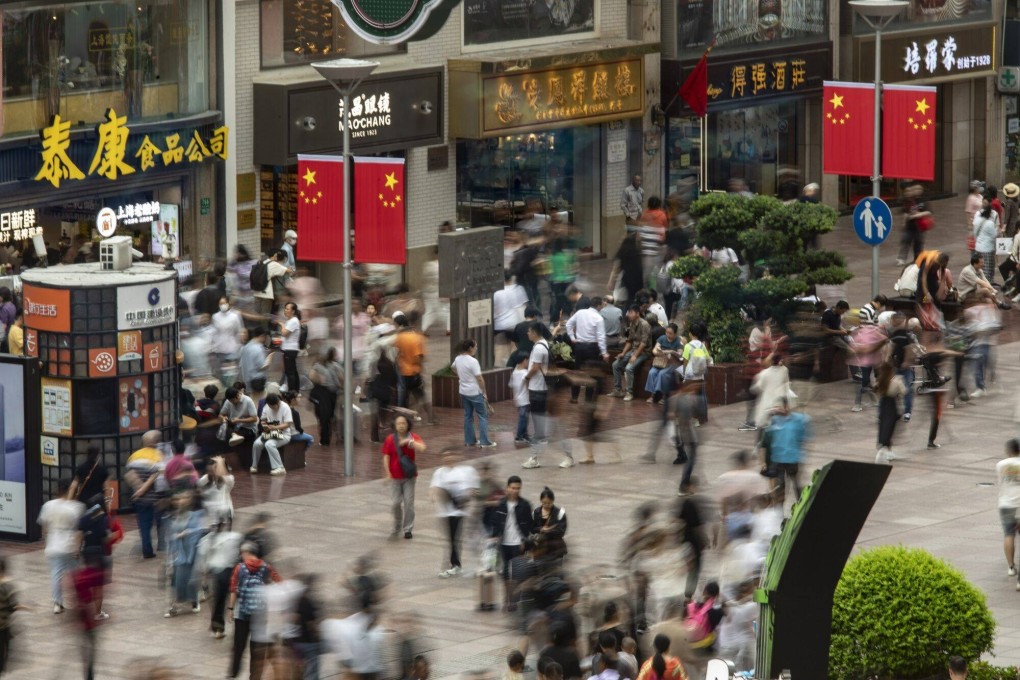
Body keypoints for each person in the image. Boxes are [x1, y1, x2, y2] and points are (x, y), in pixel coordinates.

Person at [227, 541, 282, 679]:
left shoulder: (239, 568)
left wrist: (230, 608)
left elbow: (233, 589)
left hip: (242, 614)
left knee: (238, 646)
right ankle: (254, 676)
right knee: (256, 649)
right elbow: (280, 583)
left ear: (246, 553)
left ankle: (233, 674)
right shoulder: (266, 567)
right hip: (260, 615)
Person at [483, 476, 534, 611]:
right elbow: (493, 522)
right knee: (505, 572)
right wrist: (493, 537)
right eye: (513, 488)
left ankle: (515, 600)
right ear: (507, 488)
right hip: (504, 543)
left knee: (518, 573)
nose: (515, 491)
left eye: (518, 488)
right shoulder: (501, 504)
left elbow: (530, 525)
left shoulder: (525, 505)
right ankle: (507, 598)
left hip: (518, 544)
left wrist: (526, 541)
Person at [430, 449, 480, 578]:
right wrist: (434, 497)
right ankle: (454, 564)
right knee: (451, 539)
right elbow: (435, 489)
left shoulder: (464, 471)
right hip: (445, 512)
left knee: (455, 538)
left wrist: (466, 498)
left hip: (459, 511)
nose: (449, 458)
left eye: (451, 454)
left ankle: (455, 565)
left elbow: (472, 490)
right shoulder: (439, 473)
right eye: (445, 456)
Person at [38, 477, 84, 614]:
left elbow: (44, 528)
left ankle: (57, 603)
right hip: (69, 544)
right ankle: (79, 600)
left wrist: (48, 539)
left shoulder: (48, 505)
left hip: (53, 544)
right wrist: (78, 547)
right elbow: (79, 530)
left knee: (56, 574)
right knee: (76, 574)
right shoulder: (76, 507)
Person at [521, 323, 559, 469]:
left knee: (537, 421)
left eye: (529, 331)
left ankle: (535, 455)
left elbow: (535, 367)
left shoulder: (538, 348)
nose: (528, 334)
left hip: (537, 388)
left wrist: (526, 378)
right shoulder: (544, 344)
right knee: (540, 420)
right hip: (542, 387)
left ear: (535, 333)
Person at [124, 431, 166, 559]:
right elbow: (161, 479)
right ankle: (161, 545)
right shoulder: (159, 456)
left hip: (139, 499)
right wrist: (144, 487)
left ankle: (146, 548)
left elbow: (129, 475)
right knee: (160, 522)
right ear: (156, 443)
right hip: (155, 498)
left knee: (144, 524)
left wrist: (138, 489)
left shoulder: (134, 456)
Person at [383, 414, 425, 540]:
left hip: (409, 477)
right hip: (395, 477)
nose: (401, 426)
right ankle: (396, 525)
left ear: (407, 425)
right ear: (395, 426)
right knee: (395, 503)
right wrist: (387, 473)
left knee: (408, 503)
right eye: (399, 423)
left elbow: (422, 447)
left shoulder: (413, 437)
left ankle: (408, 529)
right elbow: (386, 456)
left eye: (403, 423)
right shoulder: (390, 439)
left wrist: (409, 442)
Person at [165, 490, 206, 618]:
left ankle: (193, 601)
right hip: (179, 554)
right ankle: (174, 605)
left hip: (191, 553)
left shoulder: (195, 515)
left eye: (185, 498)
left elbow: (202, 530)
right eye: (180, 498)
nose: (181, 501)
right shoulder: (174, 516)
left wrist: (189, 532)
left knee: (189, 580)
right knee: (176, 581)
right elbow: (170, 535)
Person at [452, 339, 497, 449]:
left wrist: (461, 376)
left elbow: (452, 367)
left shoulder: (458, 359)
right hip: (475, 392)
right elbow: (479, 379)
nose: (476, 348)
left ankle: (469, 440)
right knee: (482, 416)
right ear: (470, 348)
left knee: (468, 416)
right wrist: (484, 392)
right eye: (476, 346)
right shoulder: (473, 361)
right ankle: (484, 441)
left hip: (463, 391)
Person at [763, 398, 812, 497]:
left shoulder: (800, 420)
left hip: (792, 458)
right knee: (780, 487)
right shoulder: (774, 419)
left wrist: (803, 456)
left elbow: (805, 439)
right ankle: (779, 509)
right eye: (775, 407)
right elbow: (766, 434)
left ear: (787, 407)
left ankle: (801, 505)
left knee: (796, 484)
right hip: (777, 460)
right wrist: (768, 415)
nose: (776, 409)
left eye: (779, 407)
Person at [393, 312, 436, 422]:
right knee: (420, 395)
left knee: (402, 396)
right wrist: (420, 368)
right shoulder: (417, 337)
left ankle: (401, 418)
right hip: (414, 371)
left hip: (403, 370)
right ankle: (431, 417)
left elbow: (397, 352)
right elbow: (420, 356)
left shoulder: (399, 337)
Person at [612, 305, 651, 401]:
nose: (629, 314)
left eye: (631, 312)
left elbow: (643, 343)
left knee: (629, 368)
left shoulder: (645, 324)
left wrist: (635, 355)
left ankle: (629, 393)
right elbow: (629, 341)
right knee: (615, 365)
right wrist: (623, 353)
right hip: (634, 350)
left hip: (643, 352)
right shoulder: (632, 323)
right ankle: (618, 390)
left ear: (637, 313)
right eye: (629, 312)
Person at [251, 392, 293, 475]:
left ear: (278, 402)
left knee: (269, 444)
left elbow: (288, 424)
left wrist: (275, 428)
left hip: (284, 434)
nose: (273, 408)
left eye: (274, 406)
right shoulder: (266, 407)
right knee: (257, 443)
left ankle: (279, 467)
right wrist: (265, 426)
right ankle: (254, 465)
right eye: (271, 406)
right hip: (270, 433)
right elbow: (263, 419)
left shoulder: (285, 407)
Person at [996, 439, 1020, 583]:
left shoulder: (1000, 465)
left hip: (1005, 504)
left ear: (1008, 451)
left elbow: (1000, 482)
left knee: (1008, 534)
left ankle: (1011, 567)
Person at [309, 347, 343, 447]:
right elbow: (341, 379)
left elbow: (312, 377)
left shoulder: (319, 366)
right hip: (330, 393)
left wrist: (320, 380)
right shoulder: (334, 366)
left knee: (323, 416)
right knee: (327, 416)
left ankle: (325, 437)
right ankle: (327, 436)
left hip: (324, 393)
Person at [874, 362, 908, 464]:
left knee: (884, 426)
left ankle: (887, 449)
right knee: (890, 427)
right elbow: (904, 392)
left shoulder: (880, 380)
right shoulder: (896, 380)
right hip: (892, 404)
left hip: (883, 404)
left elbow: (876, 390)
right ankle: (885, 451)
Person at [645, 323, 682, 405]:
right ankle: (653, 395)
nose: (668, 335)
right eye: (667, 332)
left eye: (670, 333)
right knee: (652, 372)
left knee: (662, 374)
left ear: (675, 334)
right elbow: (654, 350)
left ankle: (664, 396)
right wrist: (661, 352)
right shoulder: (662, 338)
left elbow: (681, 354)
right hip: (661, 362)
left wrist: (673, 353)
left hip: (672, 363)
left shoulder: (678, 341)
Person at [199, 455, 235, 527]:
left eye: (215, 469)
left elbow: (228, 479)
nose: (212, 472)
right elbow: (199, 485)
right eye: (209, 470)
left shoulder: (228, 479)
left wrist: (220, 463)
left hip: (224, 515)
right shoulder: (205, 479)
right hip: (210, 517)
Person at [532, 487, 568, 560]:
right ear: (541, 501)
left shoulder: (560, 513)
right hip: (540, 547)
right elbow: (531, 528)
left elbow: (561, 531)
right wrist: (540, 529)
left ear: (553, 501)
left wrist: (548, 531)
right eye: (544, 503)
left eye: (549, 503)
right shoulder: (536, 512)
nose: (546, 505)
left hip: (555, 547)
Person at [972, 204, 1001, 284]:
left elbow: (974, 233)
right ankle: (987, 285)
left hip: (978, 247)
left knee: (979, 268)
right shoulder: (990, 223)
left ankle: (980, 284)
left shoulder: (977, 220)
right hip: (988, 249)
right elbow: (994, 236)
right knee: (988, 269)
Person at [278, 302, 303, 393]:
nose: (285, 310)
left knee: (290, 372)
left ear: (293, 311)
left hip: (290, 349)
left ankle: (292, 392)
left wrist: (281, 325)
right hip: (289, 349)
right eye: (285, 308)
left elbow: (284, 333)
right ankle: (296, 390)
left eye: (288, 309)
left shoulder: (294, 321)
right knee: (293, 371)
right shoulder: (290, 321)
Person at [238, 327, 269, 394]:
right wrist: (270, 359)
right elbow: (261, 366)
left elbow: (241, 365)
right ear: (262, 336)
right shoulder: (258, 348)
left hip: (246, 380)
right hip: (257, 381)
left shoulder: (246, 347)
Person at [510, 356, 531, 444]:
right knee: (523, 418)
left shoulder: (514, 372)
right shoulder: (525, 373)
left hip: (518, 398)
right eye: (528, 361)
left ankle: (524, 435)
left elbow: (511, 385)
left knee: (524, 417)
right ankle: (519, 436)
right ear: (524, 360)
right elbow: (527, 384)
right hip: (525, 398)